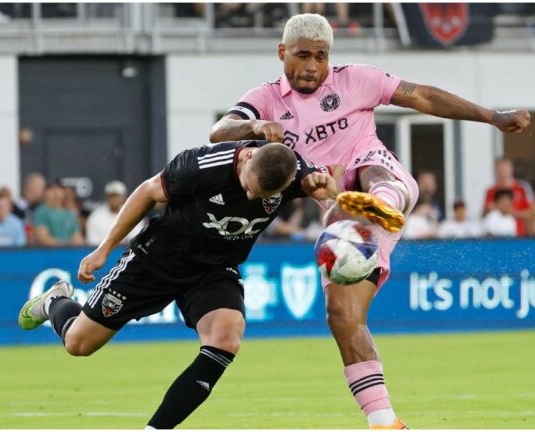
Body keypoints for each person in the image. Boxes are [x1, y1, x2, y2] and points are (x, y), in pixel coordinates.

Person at [209, 13, 530, 429]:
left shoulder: (356, 79)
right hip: (344, 224)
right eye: (303, 55)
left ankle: (381, 201)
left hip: (384, 185)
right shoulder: (267, 98)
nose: (312, 65)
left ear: (330, 58)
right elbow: (221, 129)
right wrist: (254, 124)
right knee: (342, 316)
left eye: (320, 57)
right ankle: (384, 420)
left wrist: (493, 116)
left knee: (367, 169)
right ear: (282, 52)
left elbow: (423, 97)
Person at [17, 141, 340, 428]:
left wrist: (331, 193)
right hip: (157, 259)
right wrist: (104, 248)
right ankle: (54, 302)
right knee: (79, 344)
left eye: (260, 196)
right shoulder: (201, 166)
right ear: (247, 159)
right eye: (248, 187)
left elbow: (334, 194)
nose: (250, 196)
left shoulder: (297, 174)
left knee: (226, 338)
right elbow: (146, 192)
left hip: (214, 267)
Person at [482, 159, 532, 236]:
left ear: (511, 169)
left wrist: (511, 213)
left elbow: (530, 214)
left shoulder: (522, 188)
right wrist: (494, 209)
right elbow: (483, 214)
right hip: (497, 237)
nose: (502, 171)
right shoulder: (490, 191)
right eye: (500, 168)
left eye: (505, 168)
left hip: (520, 236)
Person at [86, 181, 145, 246]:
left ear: (123, 197)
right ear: (106, 197)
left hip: (127, 253)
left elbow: (137, 239)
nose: (114, 199)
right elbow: (93, 243)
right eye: (111, 196)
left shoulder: (133, 214)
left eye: (117, 196)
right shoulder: (95, 216)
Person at [32, 182, 84, 247]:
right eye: (52, 189)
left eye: (59, 189)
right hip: (49, 254)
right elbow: (43, 239)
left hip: (69, 254)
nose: (56, 193)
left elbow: (78, 238)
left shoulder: (69, 214)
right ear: (45, 192)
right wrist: (66, 244)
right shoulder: (41, 212)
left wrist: (75, 242)